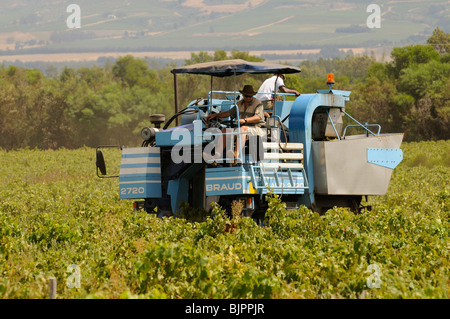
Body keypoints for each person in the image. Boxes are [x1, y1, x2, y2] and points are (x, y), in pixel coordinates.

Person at [204, 85, 265, 164]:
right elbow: (228, 113)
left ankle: (236, 155)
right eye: (246, 96)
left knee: (242, 129)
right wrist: (216, 115)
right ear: (243, 95)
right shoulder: (239, 104)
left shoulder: (258, 104)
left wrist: (244, 120)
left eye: (250, 96)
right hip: (240, 128)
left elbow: (258, 117)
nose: (248, 98)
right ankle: (216, 157)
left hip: (256, 129)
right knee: (225, 131)